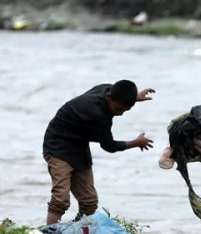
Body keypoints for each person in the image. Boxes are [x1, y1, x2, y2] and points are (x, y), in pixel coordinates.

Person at [42, 80, 155, 225]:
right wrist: (136, 143)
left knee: (89, 202)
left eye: (125, 110)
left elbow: (119, 91)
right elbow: (109, 146)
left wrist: (134, 97)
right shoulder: (97, 115)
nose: (120, 114)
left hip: (79, 145)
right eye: (119, 109)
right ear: (109, 98)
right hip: (58, 145)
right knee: (60, 199)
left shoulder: (106, 89)